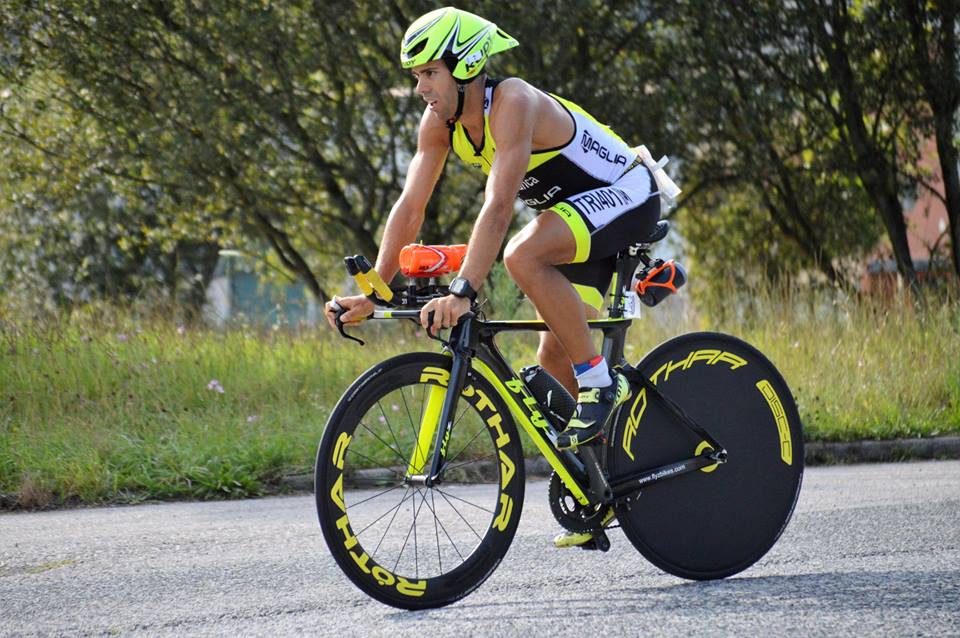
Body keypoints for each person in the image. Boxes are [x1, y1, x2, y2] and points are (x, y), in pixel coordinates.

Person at [325, 7, 661, 452]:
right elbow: (411, 206)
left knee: (522, 255)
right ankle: (609, 474)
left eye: (430, 73)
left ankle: (600, 383)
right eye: (416, 76)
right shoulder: (439, 123)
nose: (420, 88)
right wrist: (377, 291)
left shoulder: (513, 102)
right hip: (574, 218)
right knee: (554, 354)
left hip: (627, 194)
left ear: (465, 68)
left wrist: (463, 291)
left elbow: (499, 205)